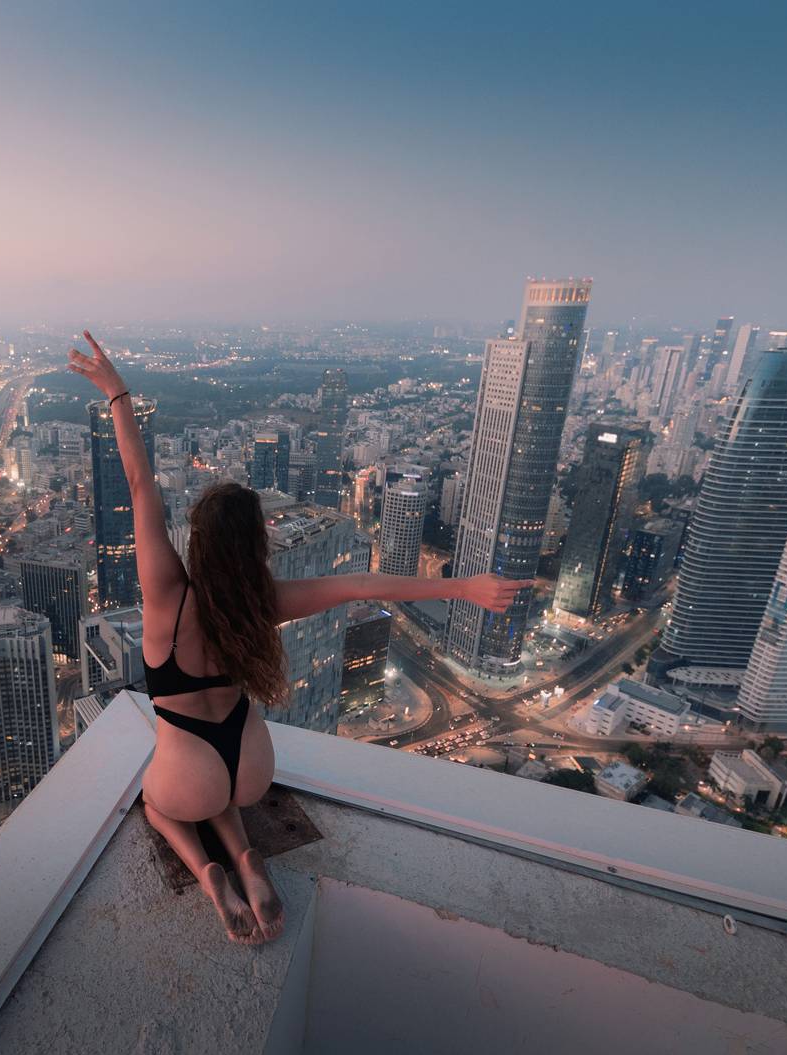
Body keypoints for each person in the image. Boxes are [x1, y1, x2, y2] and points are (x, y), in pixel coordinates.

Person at [69, 331, 529, 945]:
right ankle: (249, 858)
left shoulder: (166, 600)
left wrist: (117, 392)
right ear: (254, 545)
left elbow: (138, 484)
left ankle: (211, 874)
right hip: (253, 763)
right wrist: (463, 587)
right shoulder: (265, 603)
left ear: (198, 545)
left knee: (159, 806)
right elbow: (364, 584)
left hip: (192, 768)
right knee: (223, 799)